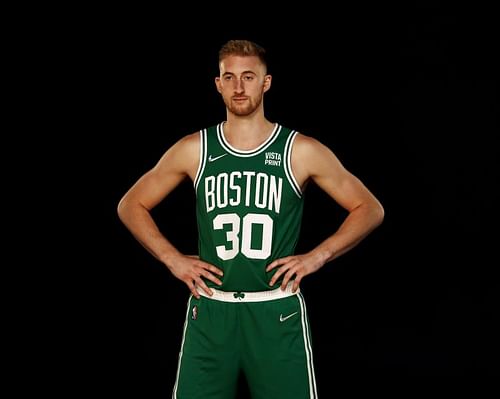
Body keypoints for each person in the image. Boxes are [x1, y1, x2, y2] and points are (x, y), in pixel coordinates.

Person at [117, 39, 384, 399]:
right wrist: (171, 258)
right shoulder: (196, 148)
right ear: (218, 83)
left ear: (266, 82)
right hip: (211, 310)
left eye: (248, 76)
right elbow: (131, 204)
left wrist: (317, 256)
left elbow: (369, 208)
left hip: (275, 309)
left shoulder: (299, 150)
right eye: (229, 77)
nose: (239, 87)